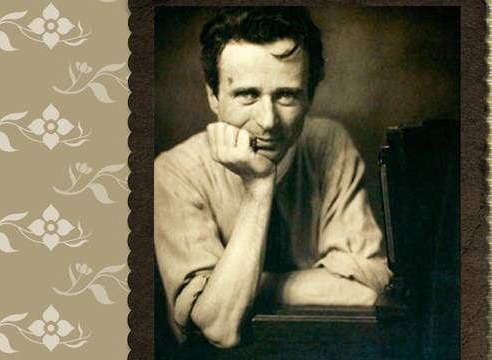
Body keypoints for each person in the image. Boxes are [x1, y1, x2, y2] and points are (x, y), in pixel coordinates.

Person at [155, 7, 392, 348]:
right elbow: (220, 328)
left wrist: (247, 286)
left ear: (309, 97)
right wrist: (259, 187)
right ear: (213, 97)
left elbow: (371, 290)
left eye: (286, 95)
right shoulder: (174, 171)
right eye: (247, 94)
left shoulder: (329, 144)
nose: (268, 121)